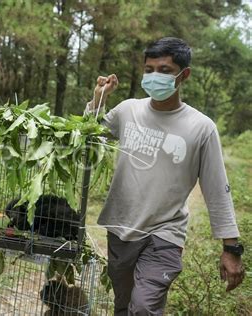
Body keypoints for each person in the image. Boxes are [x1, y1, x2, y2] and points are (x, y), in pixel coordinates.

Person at [85, 37, 244, 315]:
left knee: (145, 308)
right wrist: (98, 98)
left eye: (165, 70)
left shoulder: (201, 127)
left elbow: (217, 189)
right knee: (123, 305)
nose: (154, 75)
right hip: (121, 228)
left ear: (185, 75)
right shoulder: (127, 110)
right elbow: (88, 132)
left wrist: (232, 249)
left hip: (165, 234)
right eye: (149, 69)